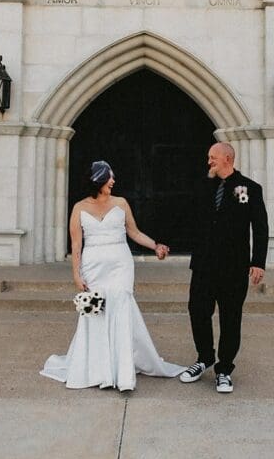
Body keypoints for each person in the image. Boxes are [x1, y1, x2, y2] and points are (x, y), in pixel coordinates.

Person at [41, 160, 185, 391]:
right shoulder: (79, 207)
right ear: (98, 180)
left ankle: (123, 373)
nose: (113, 181)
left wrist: (155, 246)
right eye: (110, 177)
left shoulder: (121, 203)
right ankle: (100, 369)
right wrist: (76, 275)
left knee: (120, 306)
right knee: (97, 312)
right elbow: (76, 245)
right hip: (93, 266)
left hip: (120, 264)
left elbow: (134, 232)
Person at [180, 142, 268, 394]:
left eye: (213, 158)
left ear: (227, 159)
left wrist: (258, 262)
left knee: (230, 317)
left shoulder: (250, 188)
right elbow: (189, 219)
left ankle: (224, 369)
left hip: (233, 266)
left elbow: (260, 228)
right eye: (209, 158)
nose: (209, 162)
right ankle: (204, 357)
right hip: (204, 265)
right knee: (197, 310)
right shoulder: (202, 187)